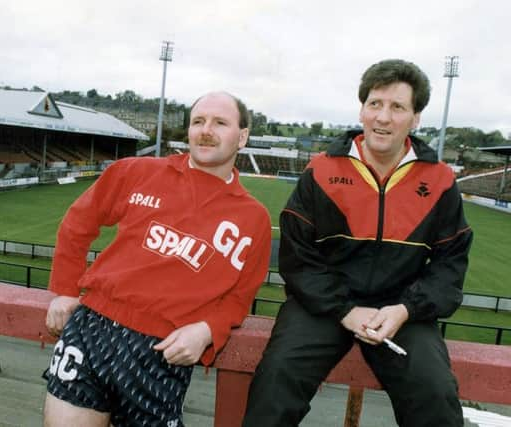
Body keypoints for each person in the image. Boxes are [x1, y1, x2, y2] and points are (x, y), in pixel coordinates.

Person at [243, 59, 473, 427]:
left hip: (400, 310)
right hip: (324, 304)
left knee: (436, 395)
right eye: (375, 104)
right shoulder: (321, 169)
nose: (383, 117)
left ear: (416, 118)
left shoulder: (441, 181)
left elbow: (450, 265)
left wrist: (405, 310)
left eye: (397, 107)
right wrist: (345, 310)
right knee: (275, 383)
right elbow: (298, 256)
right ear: (362, 109)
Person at [42, 91, 272, 427]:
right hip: (91, 330)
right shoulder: (134, 172)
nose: (206, 130)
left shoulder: (254, 219)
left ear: (243, 136)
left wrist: (208, 331)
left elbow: (239, 298)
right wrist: (64, 289)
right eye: (198, 121)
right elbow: (78, 223)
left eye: (220, 122)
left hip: (161, 352)